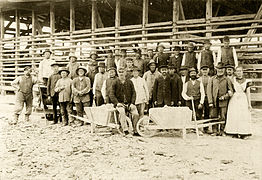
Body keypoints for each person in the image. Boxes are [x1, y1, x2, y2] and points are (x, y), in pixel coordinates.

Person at [109, 68, 139, 136]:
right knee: (122, 113)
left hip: (129, 103)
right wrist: (117, 103)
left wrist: (132, 103)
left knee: (136, 114)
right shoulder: (115, 82)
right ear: (118, 73)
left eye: (123, 72)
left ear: (125, 73)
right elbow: (111, 94)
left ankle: (135, 130)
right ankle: (125, 130)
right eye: (120, 72)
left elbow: (134, 93)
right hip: (120, 104)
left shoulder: (129, 82)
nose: (121, 74)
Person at [225, 66, 252, 139]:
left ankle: (243, 133)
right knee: (234, 115)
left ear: (243, 72)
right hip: (234, 99)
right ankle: (234, 132)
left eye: (240, 71)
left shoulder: (247, 81)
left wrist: (249, 104)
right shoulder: (233, 80)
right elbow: (229, 88)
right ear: (235, 72)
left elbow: (248, 93)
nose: (239, 73)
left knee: (242, 116)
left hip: (243, 99)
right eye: (237, 71)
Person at [207, 62, 233, 136]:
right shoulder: (212, 79)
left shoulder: (227, 79)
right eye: (219, 69)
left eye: (222, 69)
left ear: (224, 70)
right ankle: (215, 130)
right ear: (216, 69)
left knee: (223, 116)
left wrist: (225, 96)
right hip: (214, 101)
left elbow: (231, 91)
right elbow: (209, 91)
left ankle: (222, 131)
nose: (220, 70)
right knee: (213, 115)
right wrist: (210, 101)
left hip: (223, 102)